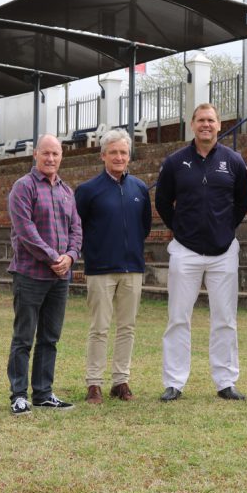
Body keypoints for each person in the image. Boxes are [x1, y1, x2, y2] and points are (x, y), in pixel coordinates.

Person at [154, 102, 247, 402]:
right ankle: (174, 382)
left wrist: (223, 230)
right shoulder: (174, 162)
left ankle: (225, 381)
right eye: (200, 120)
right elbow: (162, 202)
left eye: (211, 120)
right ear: (192, 125)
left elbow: (242, 202)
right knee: (178, 318)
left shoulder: (234, 161)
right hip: (186, 251)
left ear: (219, 125)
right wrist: (182, 230)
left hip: (223, 253)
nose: (205, 125)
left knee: (225, 318)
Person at [74, 128, 152, 405]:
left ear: (129, 156)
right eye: (114, 152)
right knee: (99, 328)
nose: (119, 157)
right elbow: (77, 228)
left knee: (127, 327)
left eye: (123, 152)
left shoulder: (140, 189)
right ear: (103, 155)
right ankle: (94, 382)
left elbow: (144, 227)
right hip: (100, 269)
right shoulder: (87, 191)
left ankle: (120, 380)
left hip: (132, 268)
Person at [6, 134, 82, 414]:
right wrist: (53, 257)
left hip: (60, 278)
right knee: (23, 337)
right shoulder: (23, 188)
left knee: (50, 338)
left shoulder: (66, 191)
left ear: (62, 157)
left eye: (56, 154)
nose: (51, 159)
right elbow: (26, 232)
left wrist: (70, 257)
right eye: (46, 153)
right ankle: (18, 394)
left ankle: (43, 393)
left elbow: (77, 229)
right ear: (35, 154)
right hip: (30, 275)